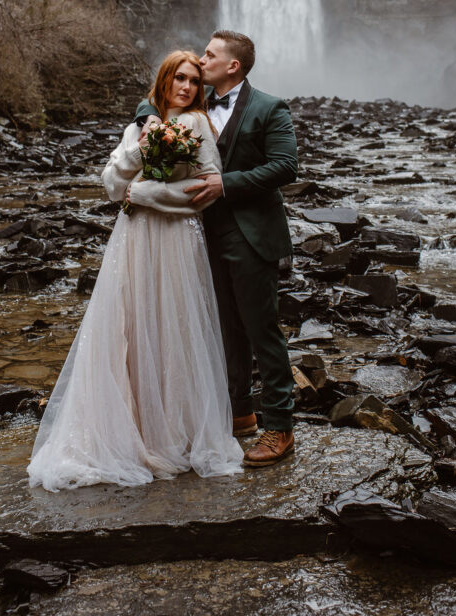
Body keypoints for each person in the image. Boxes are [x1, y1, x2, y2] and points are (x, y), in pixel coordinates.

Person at [27, 50, 242, 491]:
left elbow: (206, 188)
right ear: (163, 81)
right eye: (178, 79)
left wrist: (145, 194)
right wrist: (141, 148)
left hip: (178, 238)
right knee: (128, 324)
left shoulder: (200, 125)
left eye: (194, 82)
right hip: (134, 239)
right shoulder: (138, 127)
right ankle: (130, 429)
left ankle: (172, 431)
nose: (186, 87)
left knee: (173, 327)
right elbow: (110, 184)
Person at [135, 31, 298, 468]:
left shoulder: (269, 107)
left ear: (233, 67)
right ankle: (239, 412)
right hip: (202, 233)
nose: (201, 60)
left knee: (261, 329)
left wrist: (226, 183)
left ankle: (280, 427)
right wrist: (146, 119)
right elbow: (156, 98)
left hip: (250, 233)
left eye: (210, 55)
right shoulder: (198, 103)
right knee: (223, 329)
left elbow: (286, 165)